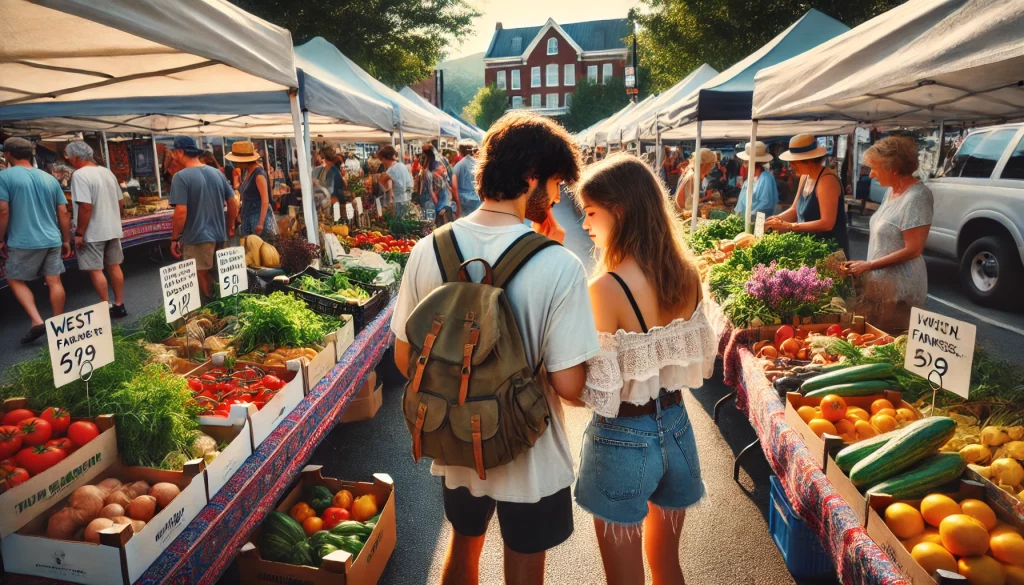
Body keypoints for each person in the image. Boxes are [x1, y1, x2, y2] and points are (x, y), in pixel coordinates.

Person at [391, 111, 598, 585]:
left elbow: (405, 359)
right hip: (528, 446)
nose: (555, 196)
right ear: (530, 177)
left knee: (463, 548)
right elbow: (569, 386)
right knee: (524, 566)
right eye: (552, 182)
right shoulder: (558, 265)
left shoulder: (430, 249)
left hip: (455, 433)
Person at [575, 153, 715, 585]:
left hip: (622, 439)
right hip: (677, 429)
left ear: (619, 211)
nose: (585, 225)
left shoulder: (605, 288)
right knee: (668, 567)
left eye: (591, 213)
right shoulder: (688, 275)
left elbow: (597, 390)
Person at [844, 136, 934, 332]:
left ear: (893, 168)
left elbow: (914, 249)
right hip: (881, 286)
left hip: (901, 291)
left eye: (875, 168)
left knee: (893, 342)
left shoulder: (917, 197)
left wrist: (869, 265)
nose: (871, 175)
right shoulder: (891, 192)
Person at [0, 137, 72, 343]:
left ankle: (36, 320)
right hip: (52, 239)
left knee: (14, 279)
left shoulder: (4, 177)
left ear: (7, 154)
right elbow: (63, 212)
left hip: (24, 240)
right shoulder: (49, 178)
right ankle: (58, 325)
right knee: (54, 281)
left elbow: (3, 210)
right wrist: (66, 239)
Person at [168, 137, 239, 298]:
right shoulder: (216, 173)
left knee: (201, 278)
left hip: (197, 237)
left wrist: (174, 238)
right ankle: (225, 313)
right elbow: (233, 201)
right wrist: (231, 225)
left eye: (174, 152)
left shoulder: (181, 177)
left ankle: (211, 314)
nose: (173, 156)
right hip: (220, 235)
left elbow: (181, 212)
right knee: (220, 278)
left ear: (179, 152)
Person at [64, 141, 128, 317]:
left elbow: (85, 206)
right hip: (111, 228)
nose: (69, 160)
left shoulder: (79, 175)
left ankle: (105, 306)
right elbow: (121, 202)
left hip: (93, 231)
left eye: (69, 157)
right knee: (114, 266)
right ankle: (119, 304)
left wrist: (79, 233)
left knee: (96, 269)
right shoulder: (107, 172)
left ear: (76, 157)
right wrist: (115, 218)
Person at [765, 134, 851, 258]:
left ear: (809, 160)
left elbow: (827, 223)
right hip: (809, 248)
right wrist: (774, 221)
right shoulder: (805, 177)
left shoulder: (827, 180)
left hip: (829, 252)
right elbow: (795, 210)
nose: (790, 166)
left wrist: (789, 226)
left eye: (794, 162)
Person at [225, 141, 276, 240]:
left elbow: (265, 201)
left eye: (236, 160)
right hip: (249, 219)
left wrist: (261, 223)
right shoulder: (247, 172)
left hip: (258, 221)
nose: (235, 163)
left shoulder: (258, 175)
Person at [734, 141, 780, 220]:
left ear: (753, 163)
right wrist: (737, 216)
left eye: (745, 162)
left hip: (760, 222)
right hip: (745, 221)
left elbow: (766, 205)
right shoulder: (748, 181)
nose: (743, 165)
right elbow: (741, 203)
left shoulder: (766, 178)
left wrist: (751, 217)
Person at [674, 148, 716, 214]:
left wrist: (704, 204)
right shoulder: (692, 176)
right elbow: (688, 205)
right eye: (710, 165)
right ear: (704, 165)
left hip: (682, 210)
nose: (711, 168)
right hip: (683, 212)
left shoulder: (691, 171)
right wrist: (703, 206)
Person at [419, 147, 453, 224]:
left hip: (431, 203)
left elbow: (430, 190)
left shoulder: (428, 172)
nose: (444, 168)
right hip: (432, 203)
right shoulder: (430, 172)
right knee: (431, 223)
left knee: (429, 224)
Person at [379, 146, 413, 215]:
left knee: (399, 223)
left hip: (399, 202)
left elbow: (384, 188)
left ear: (383, 159)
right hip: (407, 200)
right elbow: (410, 184)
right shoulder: (402, 166)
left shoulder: (391, 170)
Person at [452, 142, 480, 217]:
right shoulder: (479, 165)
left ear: (461, 151)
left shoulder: (459, 165)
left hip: (463, 202)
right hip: (477, 202)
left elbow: (454, 187)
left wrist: (458, 205)